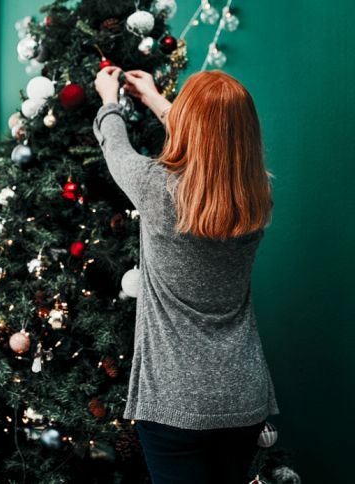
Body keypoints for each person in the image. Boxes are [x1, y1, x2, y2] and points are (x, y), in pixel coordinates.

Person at [93, 67, 278, 484]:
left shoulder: (156, 188)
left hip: (174, 399)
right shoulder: (257, 198)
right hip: (243, 396)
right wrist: (156, 100)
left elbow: (116, 149)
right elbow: (216, 142)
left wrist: (110, 100)